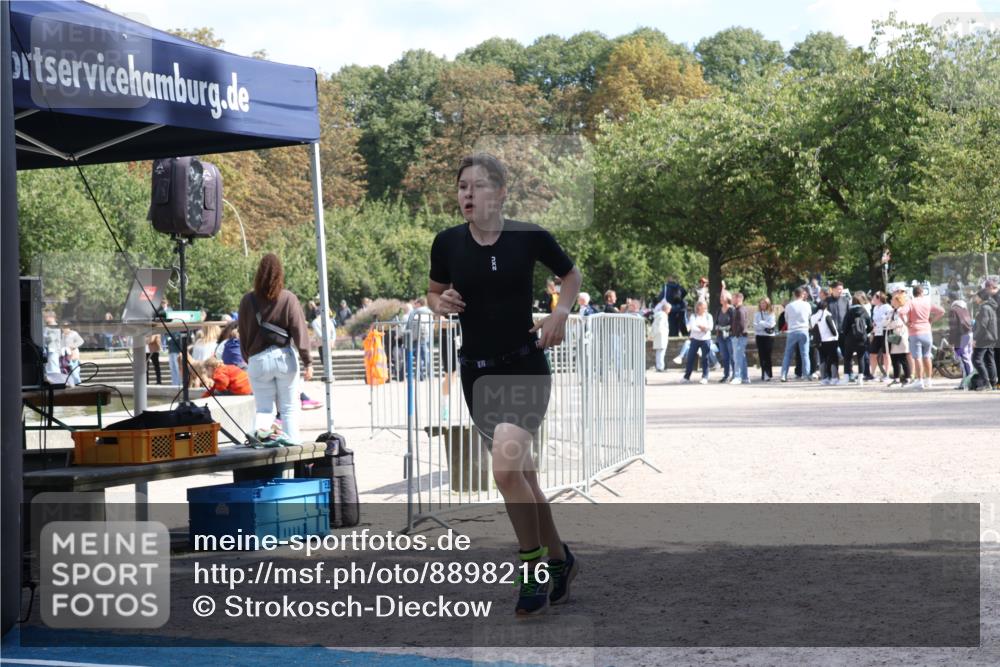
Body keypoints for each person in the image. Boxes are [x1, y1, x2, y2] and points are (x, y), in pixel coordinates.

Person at [427, 153, 582, 616]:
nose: (468, 195)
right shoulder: (447, 242)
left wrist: (559, 312)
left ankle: (532, 568)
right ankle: (560, 559)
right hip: (477, 372)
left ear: (500, 192)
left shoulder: (528, 236)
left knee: (504, 472)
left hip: (524, 367)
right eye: (461, 187)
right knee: (525, 480)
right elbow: (433, 292)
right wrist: (441, 303)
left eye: (477, 186)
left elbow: (570, 275)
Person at [238, 253, 313, 444]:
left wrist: (249, 357)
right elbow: (299, 330)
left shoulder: (247, 300)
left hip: (258, 361)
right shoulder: (288, 299)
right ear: (281, 274)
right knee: (289, 408)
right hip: (284, 359)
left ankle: (258, 445)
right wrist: (308, 362)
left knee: (264, 409)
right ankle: (293, 449)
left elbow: (243, 332)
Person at [897, 284, 945, 389]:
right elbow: (941, 311)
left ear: (913, 294)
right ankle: (929, 380)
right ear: (922, 292)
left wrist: (906, 323)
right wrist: (932, 320)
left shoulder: (911, 302)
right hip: (927, 332)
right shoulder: (927, 302)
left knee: (917, 357)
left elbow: (901, 312)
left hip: (915, 332)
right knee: (927, 356)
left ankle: (920, 380)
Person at [780, 287, 812, 382]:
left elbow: (786, 319)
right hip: (803, 330)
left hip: (792, 331)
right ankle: (806, 375)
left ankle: (783, 375)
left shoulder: (789, 306)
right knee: (805, 354)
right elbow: (809, 316)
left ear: (794, 295)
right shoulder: (807, 305)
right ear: (802, 294)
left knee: (788, 354)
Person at [841, 291, 873, 385]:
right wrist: (864, 333)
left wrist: (847, 335)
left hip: (850, 338)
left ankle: (847, 376)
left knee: (847, 357)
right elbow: (870, 326)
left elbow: (844, 326)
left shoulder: (849, 312)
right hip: (862, 338)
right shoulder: (864, 311)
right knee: (861, 357)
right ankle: (860, 378)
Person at [971, 288, 998, 391]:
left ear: (981, 297)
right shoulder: (990, 307)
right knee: (989, 360)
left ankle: (986, 383)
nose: (975, 298)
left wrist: (975, 339)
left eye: (977, 296)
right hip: (991, 338)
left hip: (984, 338)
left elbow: (982, 325)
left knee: (976, 359)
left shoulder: (985, 308)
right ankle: (993, 383)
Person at [885, 290, 912, 387]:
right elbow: (885, 323)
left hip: (901, 336)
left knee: (903, 358)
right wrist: (890, 324)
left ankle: (907, 378)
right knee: (894, 358)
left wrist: (890, 324)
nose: (891, 301)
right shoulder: (892, 311)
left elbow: (899, 323)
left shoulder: (902, 310)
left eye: (892, 299)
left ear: (897, 301)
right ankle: (896, 379)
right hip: (893, 336)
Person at [682, 300, 714, 384]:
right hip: (695, 339)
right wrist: (703, 329)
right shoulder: (693, 316)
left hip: (705, 339)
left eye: (706, 306)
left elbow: (710, 327)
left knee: (705, 358)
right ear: (699, 307)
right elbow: (693, 327)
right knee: (690, 358)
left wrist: (702, 327)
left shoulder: (709, 316)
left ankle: (705, 376)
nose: (705, 308)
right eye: (703, 306)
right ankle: (687, 376)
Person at [811, 300, 841, 385]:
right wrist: (836, 335)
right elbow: (833, 330)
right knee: (833, 359)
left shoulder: (814, 317)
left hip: (820, 341)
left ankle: (824, 378)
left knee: (823, 359)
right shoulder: (827, 315)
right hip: (830, 340)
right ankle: (834, 377)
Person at [949, 297, 974, 388]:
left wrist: (951, 342)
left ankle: (967, 383)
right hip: (969, 335)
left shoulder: (954, 311)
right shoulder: (965, 310)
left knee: (963, 359)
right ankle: (966, 382)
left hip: (961, 337)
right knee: (968, 358)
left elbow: (953, 327)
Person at [869, 291, 893, 382]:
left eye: (874, 297)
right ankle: (873, 374)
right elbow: (874, 320)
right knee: (872, 353)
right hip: (877, 332)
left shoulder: (887, 307)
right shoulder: (875, 308)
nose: (872, 299)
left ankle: (887, 374)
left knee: (886, 354)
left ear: (879, 298)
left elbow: (889, 319)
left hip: (885, 331)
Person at [729, 292, 750, 384]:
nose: (732, 300)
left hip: (739, 337)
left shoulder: (740, 310)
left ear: (738, 299)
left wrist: (736, 335)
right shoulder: (738, 309)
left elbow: (741, 325)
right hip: (740, 336)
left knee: (737, 358)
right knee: (742, 357)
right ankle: (745, 377)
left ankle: (737, 377)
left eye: (733, 298)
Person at [753, 297, 776, 381]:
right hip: (759, 336)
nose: (762, 305)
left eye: (764, 303)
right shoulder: (757, 314)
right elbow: (755, 326)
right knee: (761, 355)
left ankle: (769, 373)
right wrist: (763, 325)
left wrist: (761, 323)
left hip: (769, 337)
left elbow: (771, 325)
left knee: (768, 355)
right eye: (761, 303)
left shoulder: (771, 314)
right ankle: (764, 373)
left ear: (768, 304)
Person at [714, 295, 734, 383]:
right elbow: (716, 322)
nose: (721, 299)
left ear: (728, 298)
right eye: (720, 297)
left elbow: (734, 323)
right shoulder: (718, 310)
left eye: (723, 297)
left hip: (730, 336)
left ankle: (735, 375)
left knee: (732, 355)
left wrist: (727, 328)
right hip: (721, 336)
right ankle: (726, 375)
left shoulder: (731, 310)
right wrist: (718, 327)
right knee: (724, 356)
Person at [652, 301, 671, 372]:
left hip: (659, 336)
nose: (669, 311)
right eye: (669, 309)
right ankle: (660, 367)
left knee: (659, 352)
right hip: (661, 336)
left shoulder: (659, 315)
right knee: (661, 352)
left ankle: (659, 366)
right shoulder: (663, 315)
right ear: (666, 309)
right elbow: (660, 326)